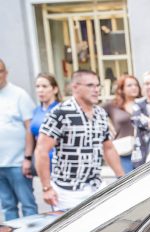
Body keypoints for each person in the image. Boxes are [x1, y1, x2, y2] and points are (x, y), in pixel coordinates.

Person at [34, 69, 124, 210]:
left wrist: (121, 177)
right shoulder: (60, 113)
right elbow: (41, 150)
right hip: (67, 191)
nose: (96, 90)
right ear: (75, 87)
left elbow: (108, 148)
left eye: (97, 85)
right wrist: (46, 188)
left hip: (95, 187)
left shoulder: (100, 113)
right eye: (90, 85)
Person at [0, 58, 37, 220]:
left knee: (28, 205)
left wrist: (27, 158)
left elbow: (30, 128)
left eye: (0, 71)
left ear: (6, 73)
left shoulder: (19, 94)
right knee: (8, 207)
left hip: (18, 163)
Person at [104, 74, 141, 173]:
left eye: (136, 85)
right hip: (123, 152)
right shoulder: (113, 105)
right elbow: (95, 113)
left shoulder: (143, 104)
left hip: (142, 150)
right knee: (127, 183)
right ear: (122, 89)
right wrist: (107, 125)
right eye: (129, 85)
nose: (134, 88)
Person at [29, 73, 61, 180]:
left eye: (44, 86)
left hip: (58, 162)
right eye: (37, 87)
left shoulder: (61, 110)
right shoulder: (36, 111)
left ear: (55, 89)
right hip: (41, 161)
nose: (40, 90)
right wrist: (29, 160)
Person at [130, 71, 150, 168]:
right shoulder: (138, 104)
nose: (149, 86)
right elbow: (139, 121)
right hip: (142, 153)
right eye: (147, 84)